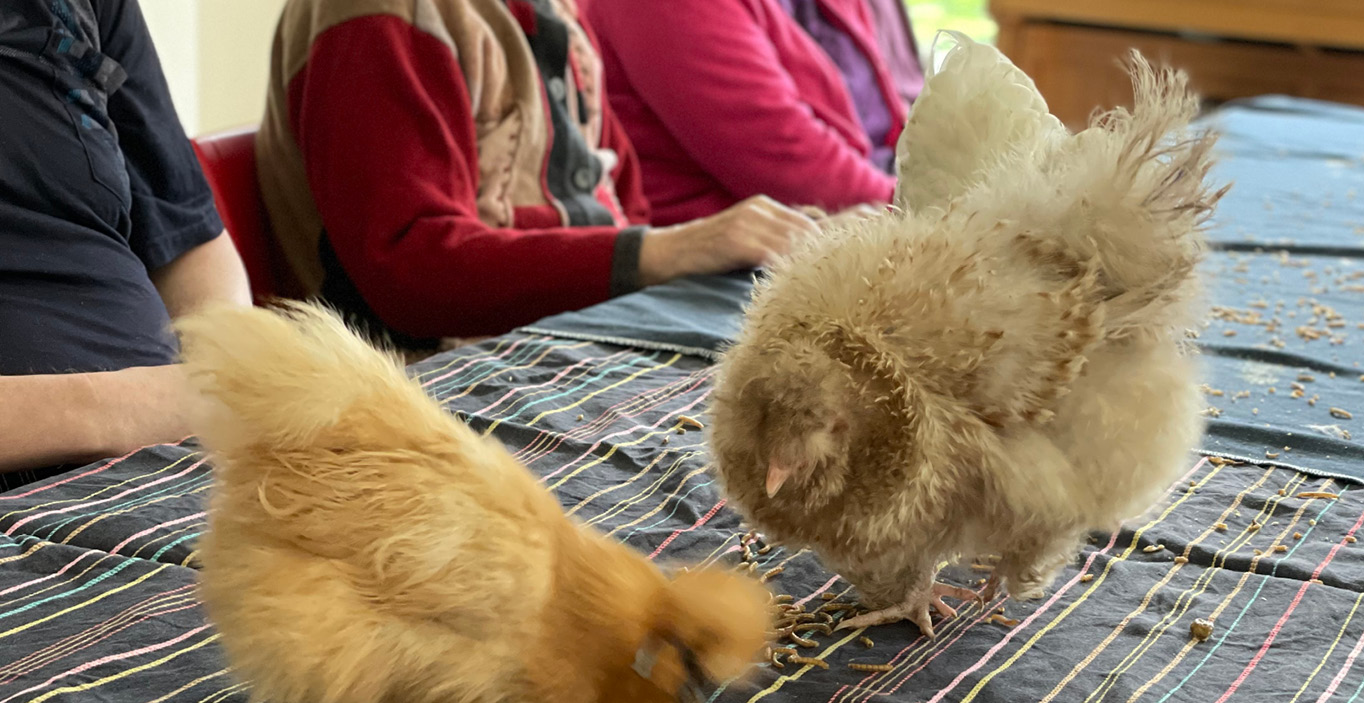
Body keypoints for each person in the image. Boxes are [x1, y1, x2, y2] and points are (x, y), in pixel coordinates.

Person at [255, 0, 823, 357]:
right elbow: (412, 276)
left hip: (583, 331)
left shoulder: (560, 15)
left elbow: (622, 198)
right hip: (438, 367)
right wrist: (670, 250)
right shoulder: (374, 17)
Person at [0, 0, 252, 489]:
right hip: (42, 493)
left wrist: (233, 379)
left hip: (172, 455)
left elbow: (190, 240)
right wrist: (125, 408)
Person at [581, 0, 908, 226]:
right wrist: (922, 203)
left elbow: (883, 116)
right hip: (728, 255)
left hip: (848, 210)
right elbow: (786, 159)